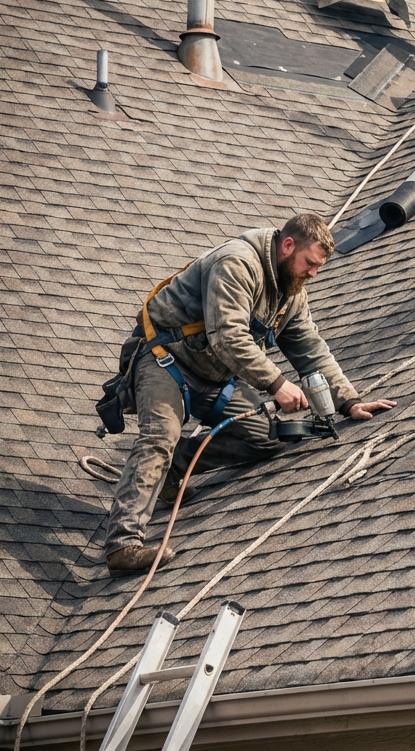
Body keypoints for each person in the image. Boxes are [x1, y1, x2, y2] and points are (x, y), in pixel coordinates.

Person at [105, 213, 395, 572]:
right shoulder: (237, 263)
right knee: (159, 436)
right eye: (310, 264)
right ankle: (123, 544)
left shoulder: (291, 294)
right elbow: (227, 336)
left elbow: (310, 349)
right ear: (288, 246)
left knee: (267, 436)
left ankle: (172, 467)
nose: (313, 274)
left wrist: (348, 400)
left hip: (215, 378)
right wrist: (277, 383)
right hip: (167, 362)